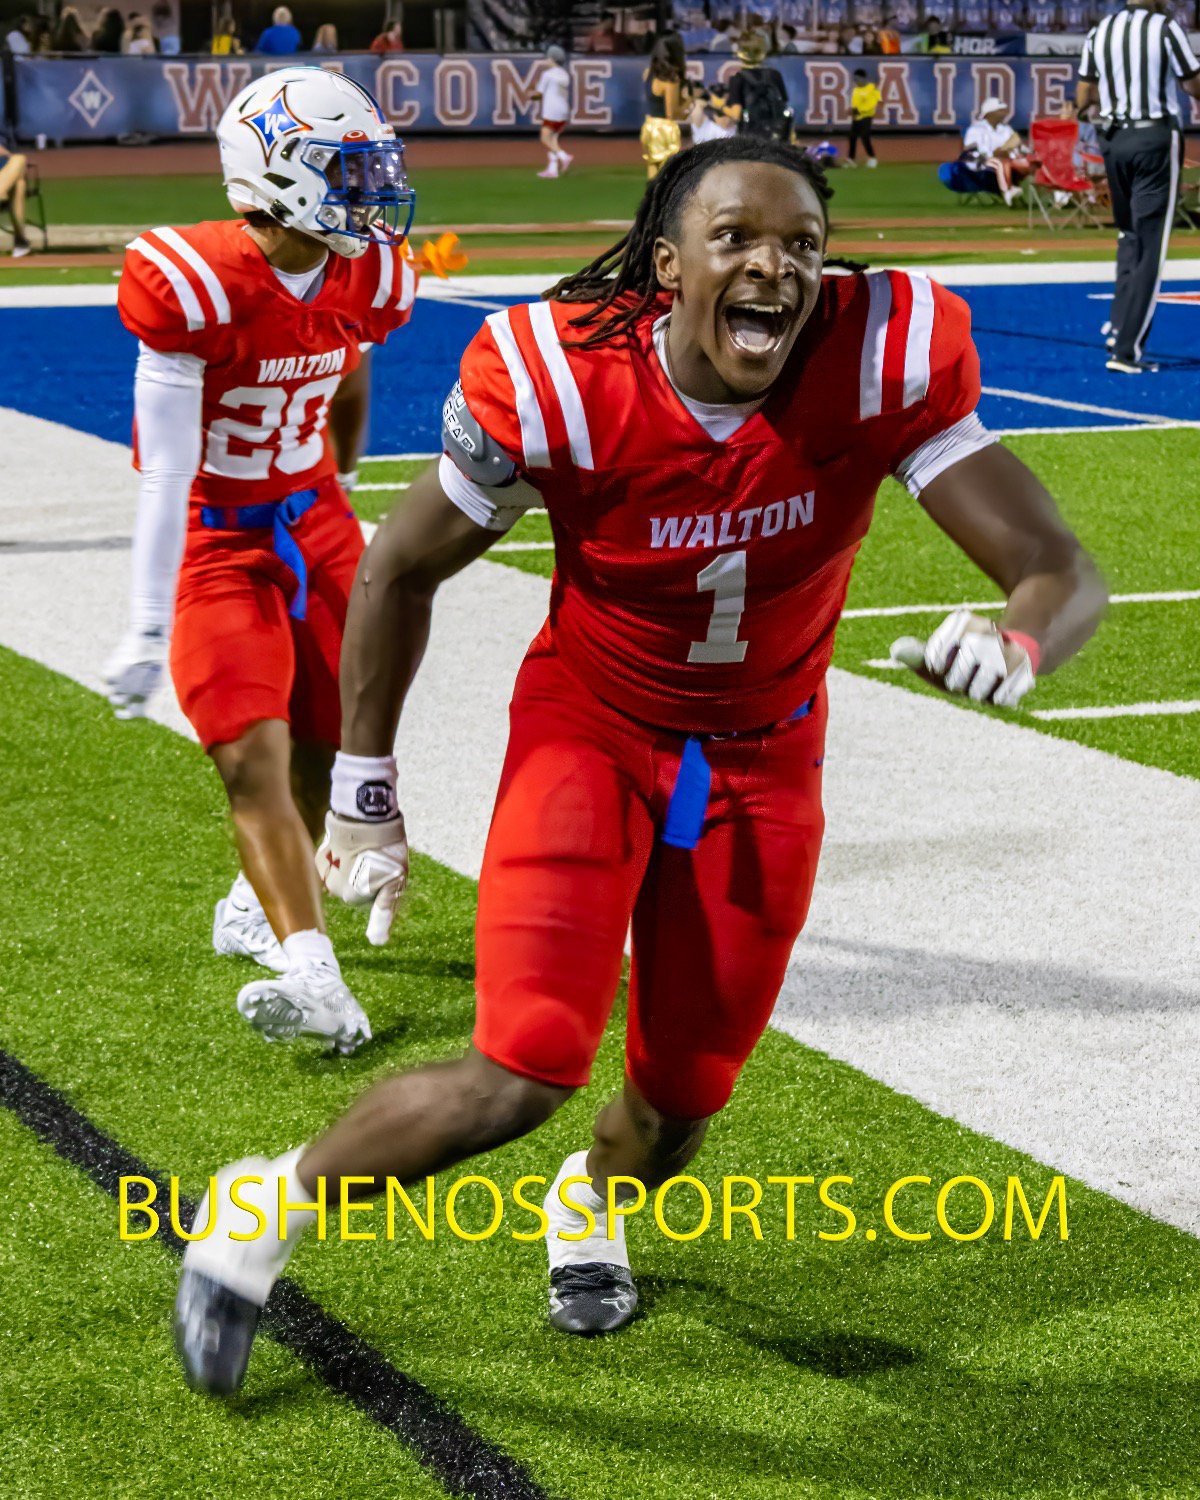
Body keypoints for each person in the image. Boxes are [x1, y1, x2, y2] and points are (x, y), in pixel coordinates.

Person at [173, 134, 1105, 1394]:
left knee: (681, 1098)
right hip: (593, 728)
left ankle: (593, 1200)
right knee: (525, 1063)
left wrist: (1018, 636)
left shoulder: (880, 354)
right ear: (668, 263)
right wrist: (367, 790)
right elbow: (397, 567)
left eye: (801, 246)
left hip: (766, 757)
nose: (774, 266)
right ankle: (263, 1208)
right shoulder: (557, 373)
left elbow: (1057, 564)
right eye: (736, 240)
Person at [102, 67, 435, 1055]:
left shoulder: (364, 272)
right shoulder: (191, 284)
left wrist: (340, 487)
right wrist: (146, 622)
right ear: (276, 176)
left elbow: (349, 356)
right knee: (251, 748)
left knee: (328, 741)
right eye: (346, 171)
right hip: (220, 535)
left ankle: (253, 908)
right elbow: (166, 475)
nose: (370, 194)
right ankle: (311, 968)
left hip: (315, 520)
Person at [1077, 0, 1200, 373]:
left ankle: (1117, 327)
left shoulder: (1101, 31)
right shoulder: (1164, 28)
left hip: (1114, 140)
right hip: (1154, 138)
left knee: (1128, 235)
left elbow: (1083, 97)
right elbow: (1192, 82)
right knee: (1151, 244)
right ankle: (1127, 350)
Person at [962, 96, 1032, 206]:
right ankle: (1007, 191)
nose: (1003, 113)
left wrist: (1026, 152)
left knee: (1025, 162)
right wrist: (994, 153)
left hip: (1005, 161)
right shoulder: (976, 129)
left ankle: (1056, 194)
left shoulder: (1005, 129)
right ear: (990, 113)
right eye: (1000, 110)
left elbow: (1018, 146)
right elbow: (971, 151)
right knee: (1000, 162)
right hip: (980, 163)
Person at [723, 31, 791, 141]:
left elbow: (736, 114)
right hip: (777, 138)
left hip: (751, 143)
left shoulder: (737, 79)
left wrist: (722, 107)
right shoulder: (775, 74)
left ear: (740, 53)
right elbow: (784, 104)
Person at [639, 33, 687, 179]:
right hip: (665, 130)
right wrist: (690, 101)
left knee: (653, 173)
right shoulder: (671, 80)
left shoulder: (648, 73)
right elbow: (672, 114)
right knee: (668, 178)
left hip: (649, 125)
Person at [536, 45, 573, 179]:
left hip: (552, 111)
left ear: (552, 59)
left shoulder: (547, 75)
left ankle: (564, 156)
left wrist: (530, 95)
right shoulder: (564, 74)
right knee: (553, 139)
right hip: (563, 111)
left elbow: (539, 94)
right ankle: (552, 170)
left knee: (545, 137)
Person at [0, 141, 32, 258]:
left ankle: (21, 241)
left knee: (19, 163)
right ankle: (21, 240)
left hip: (5, 169)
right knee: (20, 179)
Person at [847, 68, 881, 167]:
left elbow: (872, 104)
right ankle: (851, 159)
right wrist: (853, 113)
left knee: (865, 136)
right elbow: (854, 104)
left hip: (866, 117)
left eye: (857, 79)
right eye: (854, 79)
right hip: (857, 118)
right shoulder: (856, 90)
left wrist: (859, 110)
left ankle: (872, 157)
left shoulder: (872, 88)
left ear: (863, 78)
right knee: (852, 137)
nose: (856, 81)